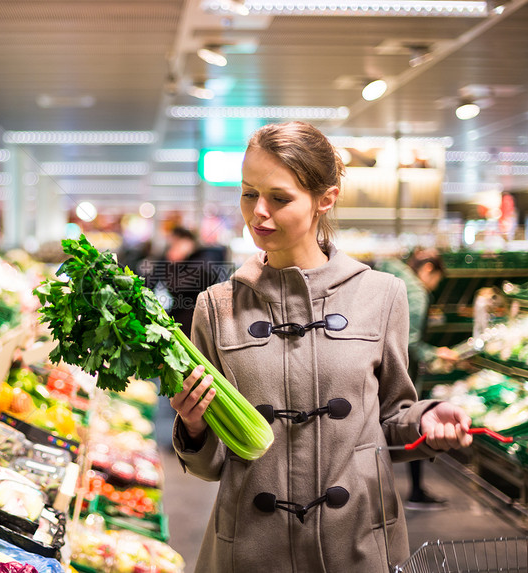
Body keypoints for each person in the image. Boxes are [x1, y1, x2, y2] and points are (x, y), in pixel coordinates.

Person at [168, 121, 473, 573]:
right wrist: (193, 427)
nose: (258, 213)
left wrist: (427, 418)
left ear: (325, 199)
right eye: (249, 193)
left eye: (280, 197)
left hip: (357, 544)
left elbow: (389, 419)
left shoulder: (382, 295)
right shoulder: (217, 306)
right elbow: (213, 463)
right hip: (250, 549)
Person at [378, 249, 460, 510]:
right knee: (412, 421)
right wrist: (437, 353)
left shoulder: (387, 276)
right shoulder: (415, 292)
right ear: (428, 270)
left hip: (377, 369)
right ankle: (415, 492)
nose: (435, 285)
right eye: (438, 279)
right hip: (400, 372)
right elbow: (410, 343)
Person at [145, 226, 232, 337]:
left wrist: (172, 262)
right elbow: (152, 280)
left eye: (175, 243)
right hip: (182, 319)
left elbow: (175, 287)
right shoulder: (187, 262)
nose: (171, 248)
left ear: (187, 242)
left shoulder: (203, 263)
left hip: (194, 325)